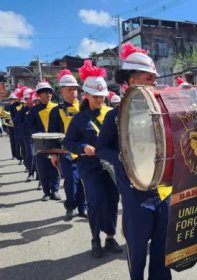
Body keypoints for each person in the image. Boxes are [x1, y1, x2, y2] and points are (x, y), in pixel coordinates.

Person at [95, 42, 172, 279]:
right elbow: (100, 148)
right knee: (137, 251)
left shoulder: (165, 108)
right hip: (134, 192)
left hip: (164, 190)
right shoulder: (115, 115)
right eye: (147, 78)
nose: (153, 82)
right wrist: (122, 158)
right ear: (130, 79)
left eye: (153, 78)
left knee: (163, 250)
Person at [63, 60, 122, 258]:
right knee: (96, 200)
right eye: (96, 96)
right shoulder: (79, 119)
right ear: (86, 95)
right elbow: (68, 142)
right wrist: (82, 147)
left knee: (112, 200)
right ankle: (95, 238)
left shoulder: (111, 114)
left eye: (102, 96)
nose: (100, 100)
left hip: (111, 165)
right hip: (89, 166)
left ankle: (110, 237)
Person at [48, 69, 87, 219]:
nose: (73, 92)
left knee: (84, 181)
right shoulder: (56, 111)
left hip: (84, 150)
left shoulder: (85, 107)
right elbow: (53, 134)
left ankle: (83, 208)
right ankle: (70, 206)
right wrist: (53, 154)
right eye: (69, 89)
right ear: (61, 91)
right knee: (71, 181)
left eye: (75, 89)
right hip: (66, 152)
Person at [28, 81, 61, 201]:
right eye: (45, 93)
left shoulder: (57, 108)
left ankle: (55, 190)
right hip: (40, 142)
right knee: (43, 168)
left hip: (55, 142)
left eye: (49, 92)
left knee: (55, 166)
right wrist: (39, 133)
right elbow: (30, 125)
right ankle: (46, 192)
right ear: (39, 95)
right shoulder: (34, 110)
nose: (48, 95)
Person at [10, 86, 24, 164]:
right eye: (17, 96)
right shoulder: (13, 106)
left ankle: (25, 159)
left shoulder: (24, 104)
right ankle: (20, 158)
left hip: (25, 127)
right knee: (18, 142)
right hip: (17, 127)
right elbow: (13, 117)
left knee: (25, 145)